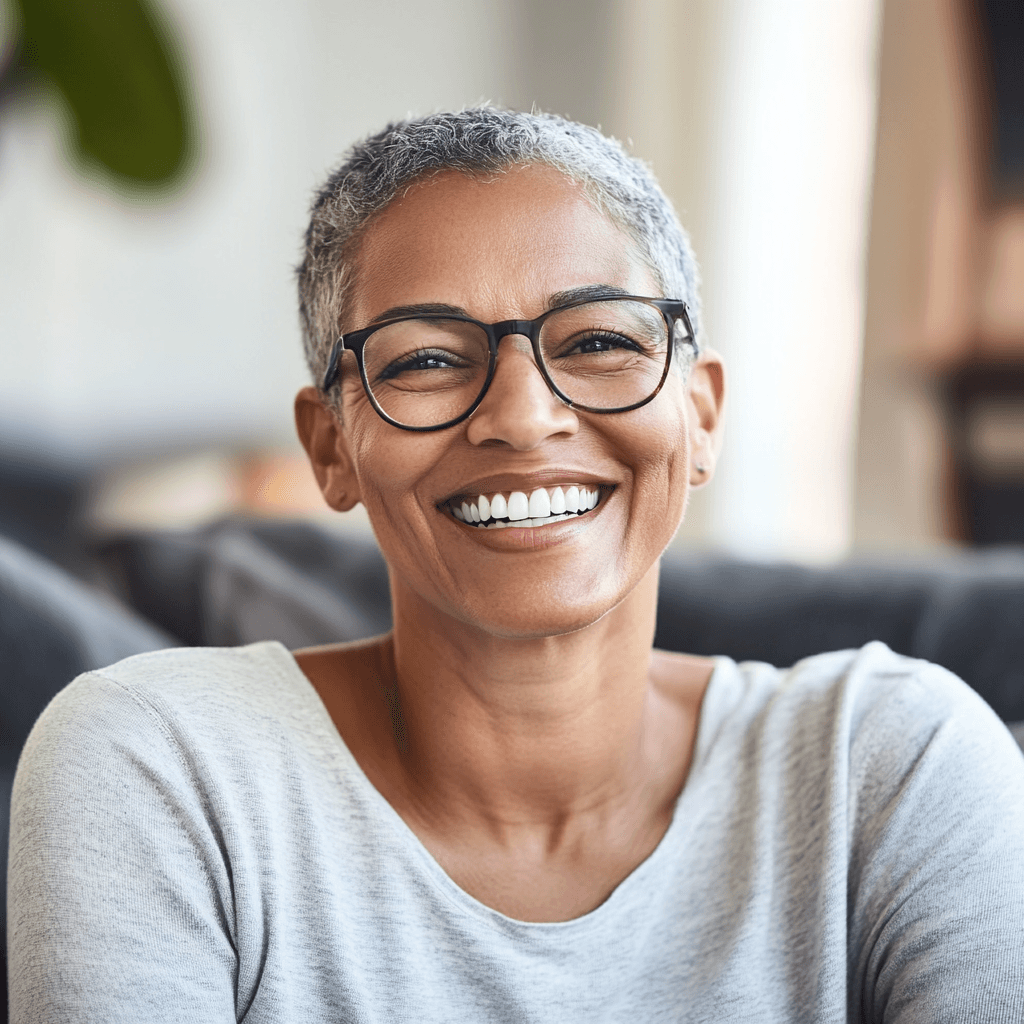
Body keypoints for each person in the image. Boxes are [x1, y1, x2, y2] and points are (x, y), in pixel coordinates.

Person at [8, 107, 1024, 1023]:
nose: (523, 415)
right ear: (330, 447)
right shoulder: (157, 767)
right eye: (425, 360)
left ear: (700, 414)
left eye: (595, 341)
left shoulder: (899, 767)